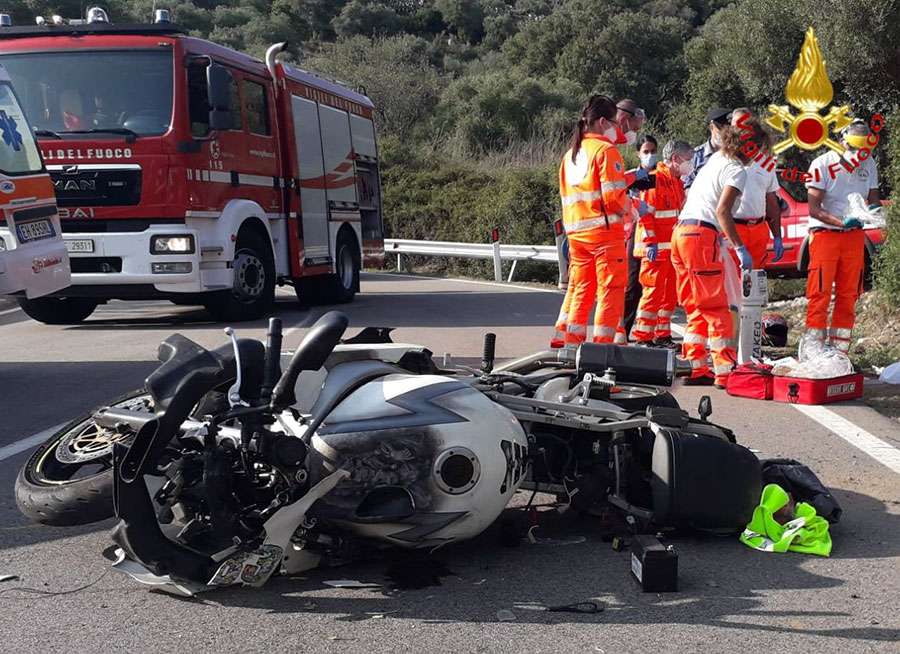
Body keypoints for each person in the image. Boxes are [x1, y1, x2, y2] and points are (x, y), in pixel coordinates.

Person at [671, 122, 768, 387]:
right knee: (717, 307)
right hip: (701, 237)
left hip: (681, 233)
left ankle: (696, 367)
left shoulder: (716, 159)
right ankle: (725, 371)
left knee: (696, 305)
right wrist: (739, 246)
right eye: (757, 148)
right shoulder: (736, 170)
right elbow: (723, 211)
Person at [553, 95, 630, 346]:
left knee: (581, 292)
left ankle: (572, 347)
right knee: (610, 291)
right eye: (613, 122)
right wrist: (635, 206)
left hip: (577, 236)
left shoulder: (570, 155)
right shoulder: (606, 151)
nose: (615, 128)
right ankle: (602, 354)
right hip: (604, 235)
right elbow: (614, 200)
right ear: (601, 121)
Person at [803, 119, 880, 352]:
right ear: (841, 142)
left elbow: (874, 201)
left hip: (854, 237)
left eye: (863, 150)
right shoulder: (821, 164)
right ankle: (813, 351)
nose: (858, 154)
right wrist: (841, 222)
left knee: (849, 294)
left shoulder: (869, 163)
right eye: (854, 148)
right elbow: (813, 208)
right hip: (825, 235)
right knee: (820, 293)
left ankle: (840, 353)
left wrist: (875, 214)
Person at [632, 139, 693, 348]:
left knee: (669, 295)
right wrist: (650, 243)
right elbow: (646, 214)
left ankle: (662, 334)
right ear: (675, 159)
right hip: (655, 249)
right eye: (688, 160)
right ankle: (643, 336)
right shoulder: (653, 179)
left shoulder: (676, 182)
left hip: (670, 249)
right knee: (652, 293)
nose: (690, 164)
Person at [728, 113, 784, 269]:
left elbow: (771, 200)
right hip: (734, 227)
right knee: (732, 279)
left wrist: (777, 236)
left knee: (756, 280)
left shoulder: (766, 161)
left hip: (759, 228)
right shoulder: (727, 159)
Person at [623, 135, 658, 338]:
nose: (650, 155)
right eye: (646, 151)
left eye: (653, 151)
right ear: (638, 153)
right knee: (632, 286)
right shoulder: (630, 177)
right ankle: (624, 330)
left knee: (655, 289)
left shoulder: (662, 177)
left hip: (658, 238)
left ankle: (651, 333)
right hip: (635, 235)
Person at [682, 107, 729, 190]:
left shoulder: (735, 153)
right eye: (721, 130)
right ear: (711, 128)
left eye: (728, 130)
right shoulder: (695, 156)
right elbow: (686, 186)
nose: (725, 134)